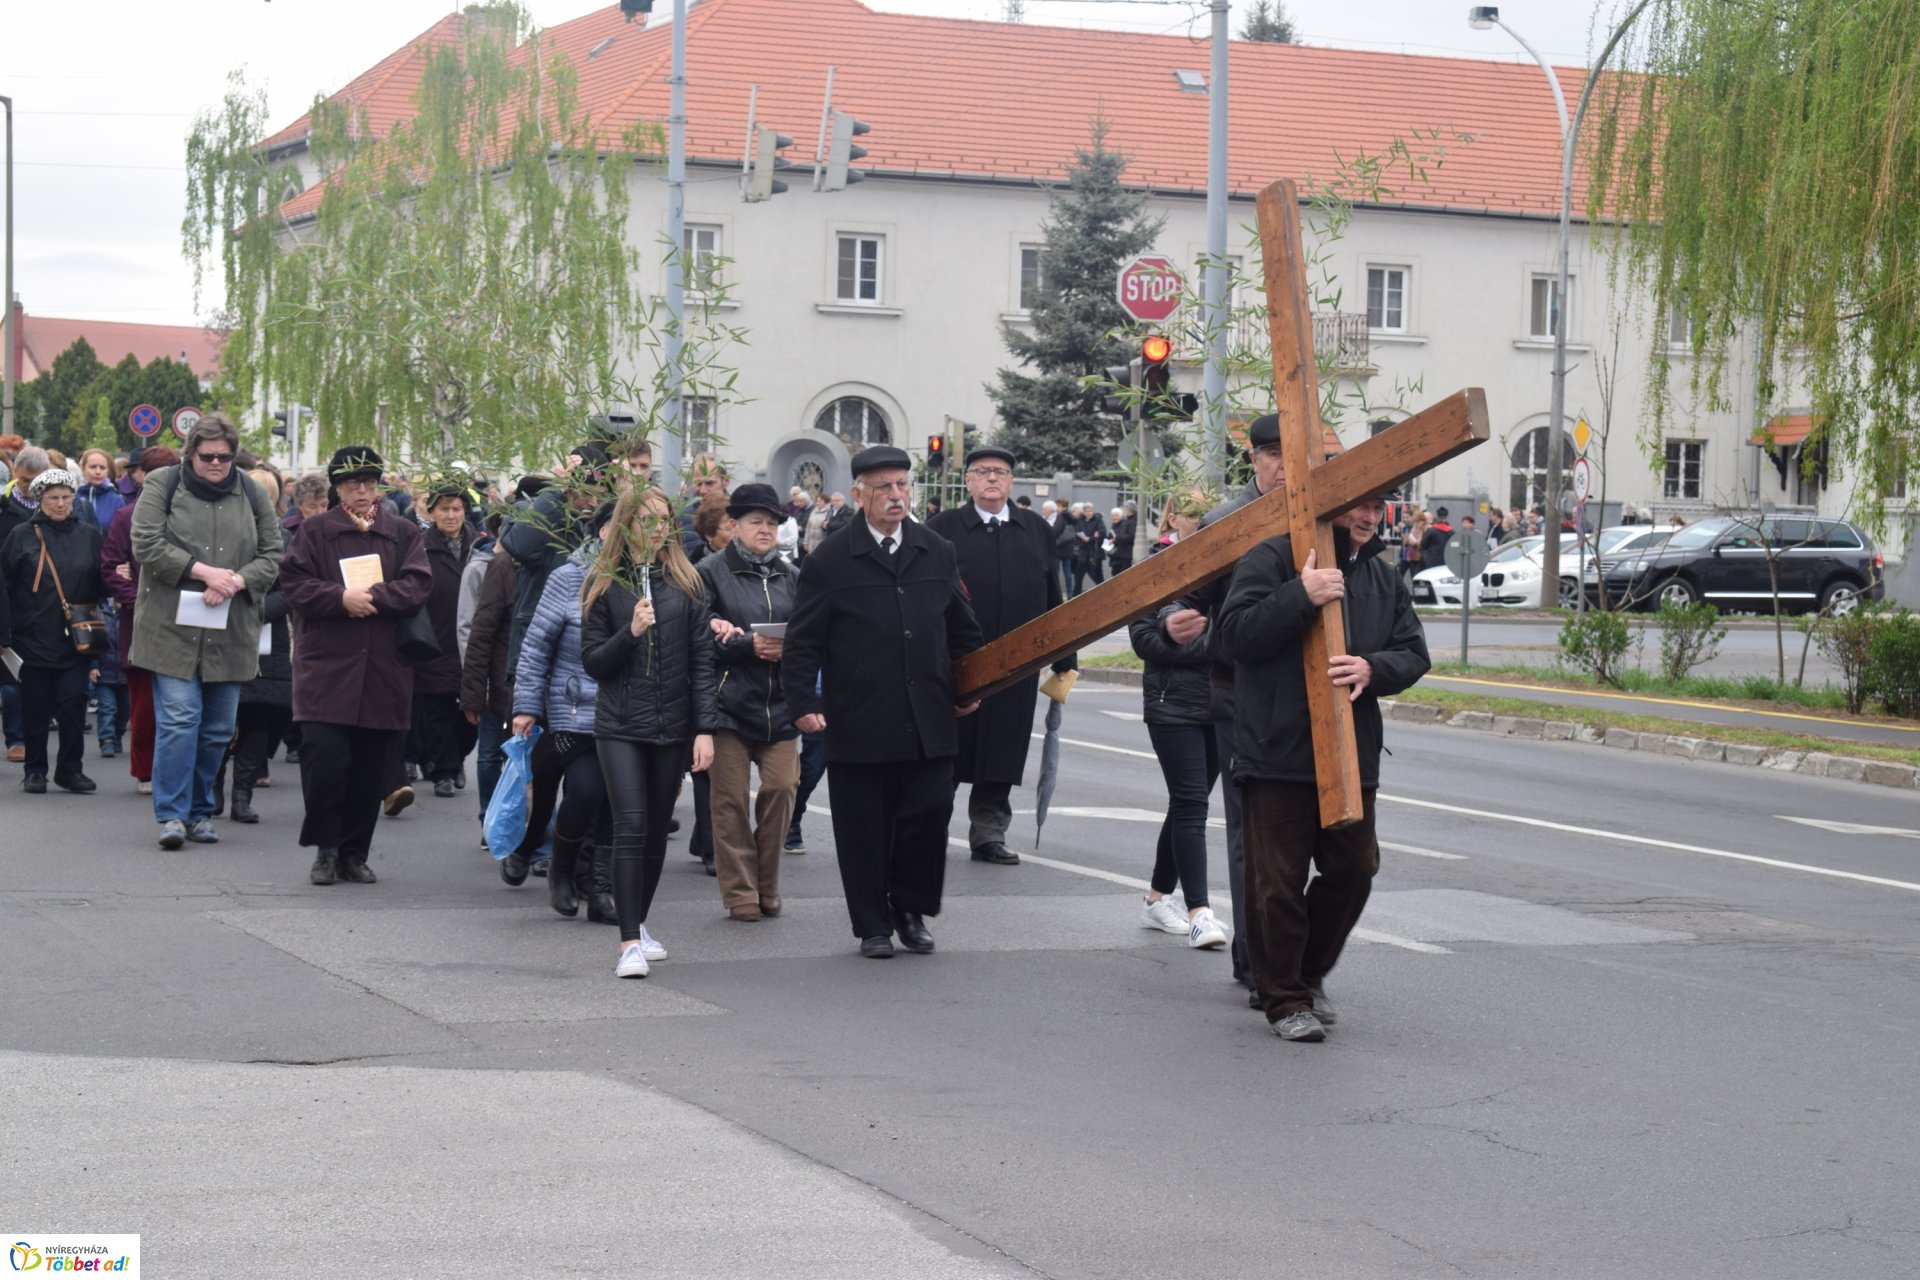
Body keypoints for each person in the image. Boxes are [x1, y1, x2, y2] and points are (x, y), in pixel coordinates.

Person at [1216, 489, 1431, 1040]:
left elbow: (1413, 651)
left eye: (1377, 506)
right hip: (1277, 750)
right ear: (1328, 504)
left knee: (1355, 869)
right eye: (1357, 504)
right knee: (1277, 883)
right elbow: (1234, 637)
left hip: (1351, 752)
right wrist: (1300, 594)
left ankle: (1305, 977)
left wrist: (1372, 668)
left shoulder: (1383, 576)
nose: (1368, 516)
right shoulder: (1272, 557)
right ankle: (1284, 999)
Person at [782, 445, 984, 959]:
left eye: (902, 486)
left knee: (929, 812)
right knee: (864, 824)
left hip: (929, 714)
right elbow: (803, 640)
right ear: (858, 494)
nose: (896, 496)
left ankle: (910, 910)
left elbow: (964, 630)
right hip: (861, 714)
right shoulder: (830, 559)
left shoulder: (935, 550)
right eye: (884, 488)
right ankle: (872, 923)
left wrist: (970, 688)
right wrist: (802, 699)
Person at [1162, 414, 1290, 1001]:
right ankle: (1256, 960)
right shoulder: (1224, 524)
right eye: (1274, 455)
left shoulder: (1321, 517)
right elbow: (1183, 608)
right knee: (1251, 832)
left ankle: (1288, 958)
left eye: (1297, 454)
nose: (1286, 465)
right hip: (1238, 695)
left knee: (1301, 837)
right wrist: (1178, 626)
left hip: (1303, 697)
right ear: (1256, 461)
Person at [580, 486, 718, 978]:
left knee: (658, 829)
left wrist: (705, 730)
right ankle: (627, 943)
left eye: (665, 519)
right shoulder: (604, 581)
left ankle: (640, 924)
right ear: (627, 523)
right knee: (631, 825)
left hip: (673, 725)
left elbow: (703, 663)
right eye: (649, 519)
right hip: (619, 724)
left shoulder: (688, 582)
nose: (659, 527)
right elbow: (594, 663)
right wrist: (630, 632)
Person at [129, 415, 284, 849]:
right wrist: (204, 573)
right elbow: (145, 543)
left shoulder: (252, 491)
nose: (217, 463)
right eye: (207, 456)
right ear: (190, 453)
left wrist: (234, 581)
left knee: (217, 729)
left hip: (230, 629)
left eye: (225, 456)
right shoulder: (164, 484)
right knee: (180, 720)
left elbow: (273, 554)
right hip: (170, 629)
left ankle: (200, 813)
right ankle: (173, 816)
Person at [282, 445, 432, 885]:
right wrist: (339, 599)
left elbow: (418, 583)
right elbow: (294, 583)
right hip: (327, 667)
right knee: (325, 760)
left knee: (370, 768)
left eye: (368, 482)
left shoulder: (402, 532)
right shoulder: (316, 531)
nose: (361, 491)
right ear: (338, 488)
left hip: (384, 668)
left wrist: (373, 598)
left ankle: (354, 853)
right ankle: (325, 851)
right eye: (352, 484)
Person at [925, 445, 1073, 867]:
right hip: (956, 660)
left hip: (1017, 662)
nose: (992, 478)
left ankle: (989, 832)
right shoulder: (943, 527)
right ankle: (929, 827)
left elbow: (1053, 595)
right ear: (968, 480)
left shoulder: (1034, 528)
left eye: (1001, 472)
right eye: (983, 471)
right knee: (950, 748)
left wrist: (1066, 658)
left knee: (1003, 747)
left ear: (1011, 482)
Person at [697, 483, 800, 921]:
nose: (766, 529)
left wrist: (788, 646)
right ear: (734, 525)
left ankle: (768, 884)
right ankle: (741, 893)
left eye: (772, 522)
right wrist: (746, 646)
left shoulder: (792, 575)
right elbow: (696, 636)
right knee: (729, 801)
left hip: (780, 704)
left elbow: (814, 633)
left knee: (781, 788)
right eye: (756, 521)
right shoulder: (709, 572)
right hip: (728, 703)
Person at [1128, 495, 1226, 949]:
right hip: (1173, 706)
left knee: (1188, 803)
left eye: (1208, 510)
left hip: (1222, 703)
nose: (1200, 518)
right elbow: (1143, 639)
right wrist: (1204, 645)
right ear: (1173, 517)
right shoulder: (1159, 567)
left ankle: (1154, 899)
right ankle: (1199, 912)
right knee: (1191, 803)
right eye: (1190, 510)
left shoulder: (1228, 562)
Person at [511, 526, 617, 925]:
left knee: (613, 799)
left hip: (625, 710)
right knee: (585, 790)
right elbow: (536, 645)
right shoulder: (569, 576)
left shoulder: (648, 575)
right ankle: (558, 868)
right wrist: (526, 705)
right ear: (607, 528)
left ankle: (599, 888)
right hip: (573, 709)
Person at [0, 467, 106, 793]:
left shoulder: (89, 534)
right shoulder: (21, 535)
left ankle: (70, 769)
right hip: (31, 635)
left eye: (65, 497)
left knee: (74, 704)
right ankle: (35, 770)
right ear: (39, 500)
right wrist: (4, 632)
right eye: (53, 498)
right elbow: (4, 583)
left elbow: (99, 582)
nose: (60, 504)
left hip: (76, 636)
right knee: (35, 707)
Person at [98, 444, 177, 792]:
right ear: (140, 475)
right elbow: (110, 568)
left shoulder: (191, 514)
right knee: (144, 703)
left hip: (184, 620)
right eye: (156, 472)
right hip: (140, 621)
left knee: (180, 705)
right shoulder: (126, 517)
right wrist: (138, 602)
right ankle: (144, 770)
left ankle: (172, 768)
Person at [414, 480, 479, 799]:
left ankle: (458, 759)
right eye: (444, 509)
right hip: (435, 638)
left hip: (471, 640)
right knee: (438, 710)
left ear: (465, 511)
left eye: (456, 509)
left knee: (469, 715)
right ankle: (444, 770)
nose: (451, 515)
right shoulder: (420, 547)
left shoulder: (478, 547)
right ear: (432, 512)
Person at [460, 515, 517, 850]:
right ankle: (489, 819)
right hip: (496, 681)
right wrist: (473, 689)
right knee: (491, 752)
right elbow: (475, 631)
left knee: (528, 754)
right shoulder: (492, 568)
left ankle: (521, 821)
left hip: (520, 681)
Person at [75, 449, 125, 530]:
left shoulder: (117, 501)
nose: (98, 472)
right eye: (93, 467)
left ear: (107, 471)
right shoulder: (72, 498)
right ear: (83, 469)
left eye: (102, 468)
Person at [1108, 504, 1137, 575]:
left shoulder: (1129, 522)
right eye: (1113, 516)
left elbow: (1131, 536)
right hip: (1115, 554)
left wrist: (1117, 538)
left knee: (1122, 575)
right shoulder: (1114, 525)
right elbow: (1110, 537)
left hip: (1124, 555)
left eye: (1116, 515)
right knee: (1114, 574)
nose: (1114, 517)